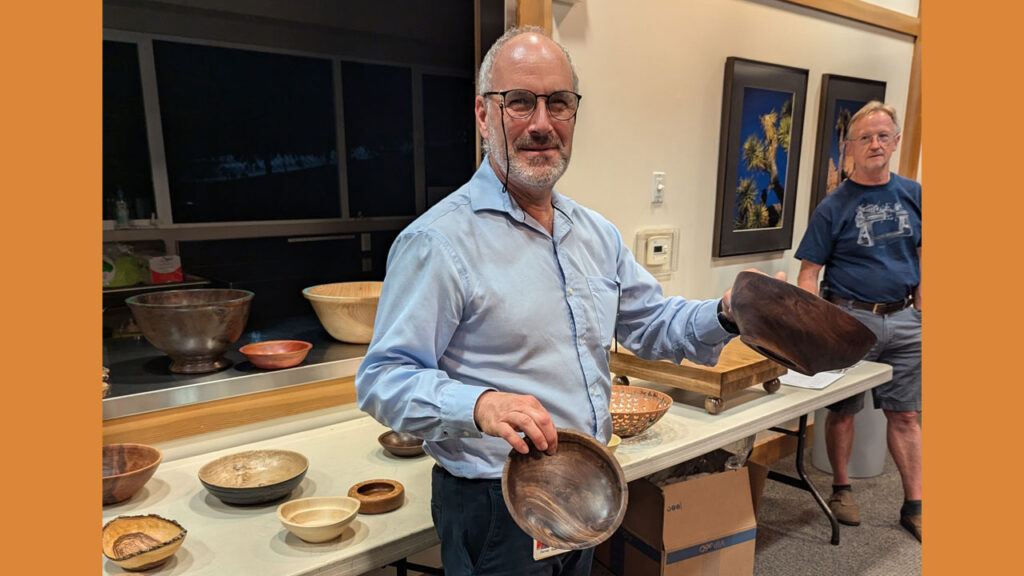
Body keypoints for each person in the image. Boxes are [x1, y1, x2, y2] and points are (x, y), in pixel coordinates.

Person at [356, 27, 759, 575]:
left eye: (559, 103)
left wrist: (725, 311)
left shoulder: (596, 234)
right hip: (495, 504)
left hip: (586, 486)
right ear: (482, 115)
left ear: (574, 114)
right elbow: (383, 378)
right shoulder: (439, 242)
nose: (541, 124)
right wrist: (480, 406)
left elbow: (653, 323)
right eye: (519, 102)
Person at [794, 101, 922, 542]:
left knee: (906, 415)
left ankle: (915, 504)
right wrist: (811, 330)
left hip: (904, 319)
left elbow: (925, 253)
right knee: (843, 413)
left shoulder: (914, 194)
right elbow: (809, 272)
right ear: (849, 147)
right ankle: (841, 489)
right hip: (850, 319)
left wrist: (923, 309)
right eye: (865, 137)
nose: (875, 144)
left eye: (883, 136)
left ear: (896, 141)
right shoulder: (835, 205)